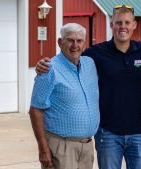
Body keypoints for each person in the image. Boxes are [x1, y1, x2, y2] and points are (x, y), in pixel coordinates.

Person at [35, 5, 141, 169]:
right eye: (118, 23)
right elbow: (70, 57)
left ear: (134, 25)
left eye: (127, 22)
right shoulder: (95, 54)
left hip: (139, 132)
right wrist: (44, 64)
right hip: (108, 133)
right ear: (112, 25)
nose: (123, 27)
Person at [29, 23, 100, 169]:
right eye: (70, 40)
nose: (75, 45)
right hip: (61, 148)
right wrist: (43, 149)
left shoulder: (90, 64)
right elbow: (35, 109)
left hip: (87, 147)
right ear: (60, 42)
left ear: (84, 43)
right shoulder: (49, 69)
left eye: (79, 41)